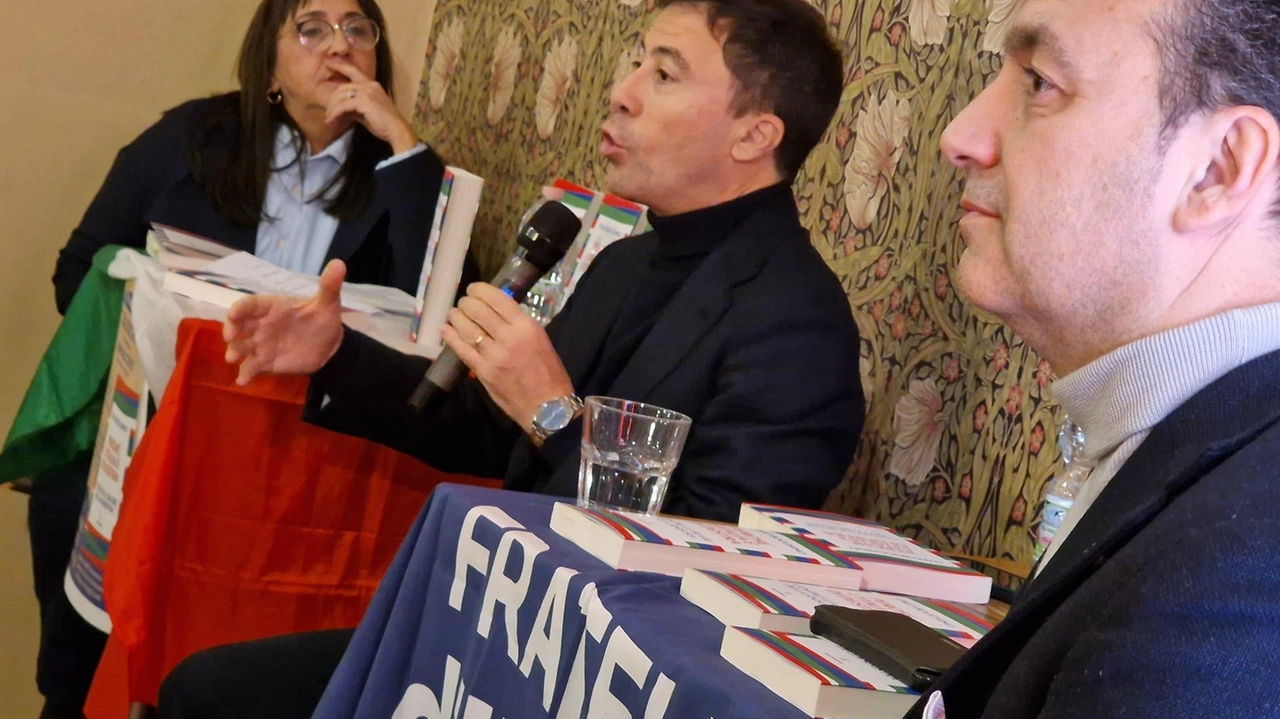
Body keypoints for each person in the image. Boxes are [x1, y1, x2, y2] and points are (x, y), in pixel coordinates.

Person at [157, 0, 864, 717]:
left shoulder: (797, 320)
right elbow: (495, 428)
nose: (624, 90)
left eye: (665, 73)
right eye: (638, 60)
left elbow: (708, 570)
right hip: (510, 620)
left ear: (754, 134)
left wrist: (554, 413)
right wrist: (335, 355)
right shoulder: (626, 261)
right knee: (204, 689)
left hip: (603, 677)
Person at [36, 1, 469, 717]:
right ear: (268, 57)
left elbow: (439, 312)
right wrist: (160, 308)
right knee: (85, 622)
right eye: (312, 28)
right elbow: (76, 273)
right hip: (164, 425)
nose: (339, 47)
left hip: (303, 459)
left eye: (358, 29)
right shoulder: (192, 138)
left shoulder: (400, 171)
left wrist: (402, 143)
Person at [905, 0, 1280, 714]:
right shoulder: (1188, 447)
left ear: (1217, 170)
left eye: (1040, 83)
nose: (961, 136)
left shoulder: (1236, 577)